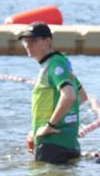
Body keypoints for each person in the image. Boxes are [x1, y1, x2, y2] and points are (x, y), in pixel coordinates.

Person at [18, 22, 81, 165]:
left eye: (33, 40)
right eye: (25, 41)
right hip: (68, 143)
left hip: (52, 144)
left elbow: (69, 96)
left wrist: (50, 125)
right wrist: (35, 130)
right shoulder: (60, 62)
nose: (28, 45)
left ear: (48, 41)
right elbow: (81, 96)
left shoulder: (54, 65)